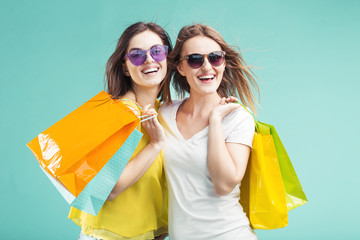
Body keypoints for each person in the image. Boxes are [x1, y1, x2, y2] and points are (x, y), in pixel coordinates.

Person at [68, 22, 172, 240]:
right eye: (136, 55)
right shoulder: (118, 114)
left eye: (156, 51)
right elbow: (110, 188)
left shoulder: (164, 113)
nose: (149, 60)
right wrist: (155, 144)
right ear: (125, 67)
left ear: (167, 58)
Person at [160, 24, 259, 239]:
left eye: (215, 58)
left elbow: (224, 185)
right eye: (195, 59)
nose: (207, 67)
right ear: (180, 67)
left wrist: (215, 121)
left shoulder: (238, 118)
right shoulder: (164, 113)